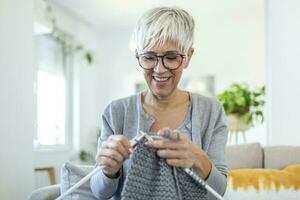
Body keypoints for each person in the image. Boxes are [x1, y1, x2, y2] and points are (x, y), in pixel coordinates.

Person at [90, 6, 228, 200]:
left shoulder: (211, 112)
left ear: (188, 57)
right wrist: (108, 170)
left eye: (171, 57)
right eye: (149, 57)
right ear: (138, 55)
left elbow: (219, 191)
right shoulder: (116, 112)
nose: (159, 69)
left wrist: (199, 160)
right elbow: (98, 191)